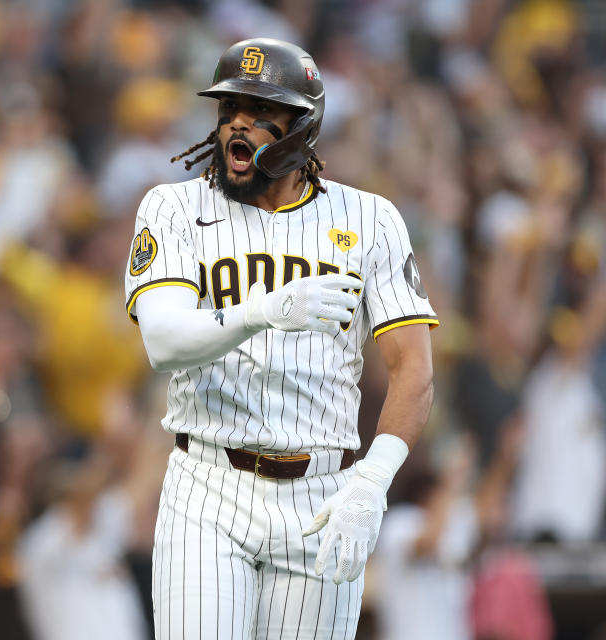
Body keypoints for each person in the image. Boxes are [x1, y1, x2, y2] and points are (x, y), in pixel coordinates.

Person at [124, 38, 437, 638]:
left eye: (261, 112)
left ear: (303, 127)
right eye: (228, 110)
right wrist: (262, 310)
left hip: (320, 491)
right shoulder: (173, 207)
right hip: (208, 484)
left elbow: (414, 371)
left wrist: (371, 483)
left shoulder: (369, 219)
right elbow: (162, 343)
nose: (237, 124)